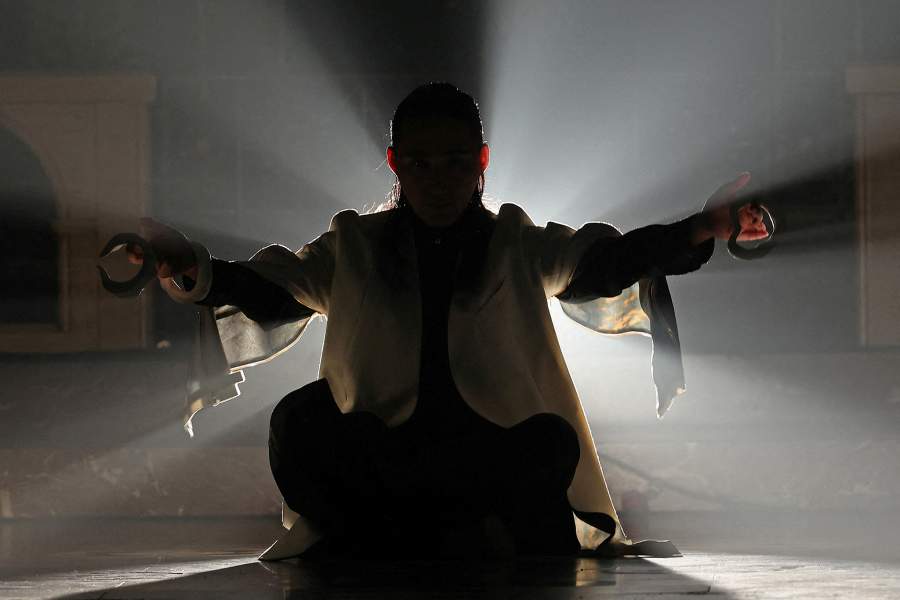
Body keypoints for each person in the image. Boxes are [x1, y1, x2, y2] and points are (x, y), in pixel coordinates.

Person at [129, 83, 769, 560]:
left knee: (550, 441)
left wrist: (700, 227)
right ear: (395, 163)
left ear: (482, 160)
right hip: (385, 457)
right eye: (421, 163)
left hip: (485, 456)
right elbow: (267, 290)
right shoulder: (352, 245)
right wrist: (188, 264)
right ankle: (428, 533)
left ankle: (421, 534)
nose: (438, 180)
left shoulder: (518, 241)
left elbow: (609, 263)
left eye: (456, 162)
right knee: (297, 424)